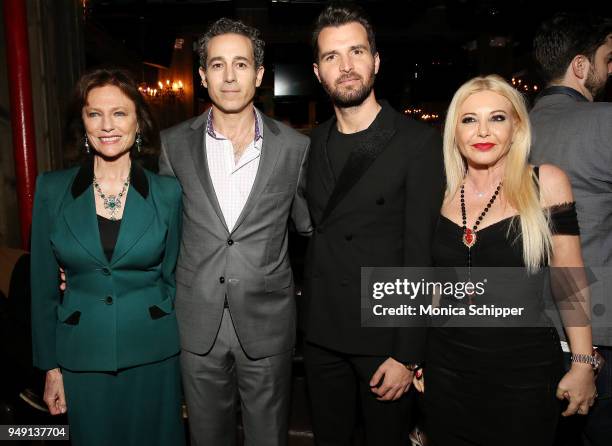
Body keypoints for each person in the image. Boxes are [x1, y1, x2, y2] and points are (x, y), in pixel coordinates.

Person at [417, 74, 598, 446]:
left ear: (517, 126)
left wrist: (582, 364)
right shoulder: (439, 191)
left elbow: (569, 278)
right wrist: (415, 355)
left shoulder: (545, 183)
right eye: (469, 119)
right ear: (454, 131)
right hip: (447, 368)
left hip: (523, 372)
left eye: (497, 118)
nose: (483, 130)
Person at [159, 18, 311, 446]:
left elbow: (310, 227)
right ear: (203, 74)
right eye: (218, 64)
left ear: (259, 75)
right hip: (196, 320)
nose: (229, 76)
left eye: (241, 64)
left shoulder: (295, 147)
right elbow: (162, 232)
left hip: (268, 322)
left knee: (269, 438)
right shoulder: (173, 145)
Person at [302, 3, 444, 444]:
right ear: (318, 71)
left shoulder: (416, 143)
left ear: (376, 61)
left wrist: (407, 355)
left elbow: (421, 253)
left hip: (383, 337)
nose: (346, 67)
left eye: (356, 52)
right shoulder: (312, 143)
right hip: (322, 334)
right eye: (331, 57)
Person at [30, 68, 184, 446]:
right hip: (81, 356)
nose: (106, 125)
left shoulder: (168, 193)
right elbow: (42, 288)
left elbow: (173, 277)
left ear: (139, 122)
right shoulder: (52, 190)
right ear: (82, 123)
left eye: (119, 113)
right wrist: (50, 366)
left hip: (153, 354)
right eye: (94, 114)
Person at [530, 14, 612, 446]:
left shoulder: (512, 130)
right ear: (580, 66)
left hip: (527, 324)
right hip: (600, 327)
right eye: (608, 58)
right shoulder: (605, 122)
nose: (610, 70)